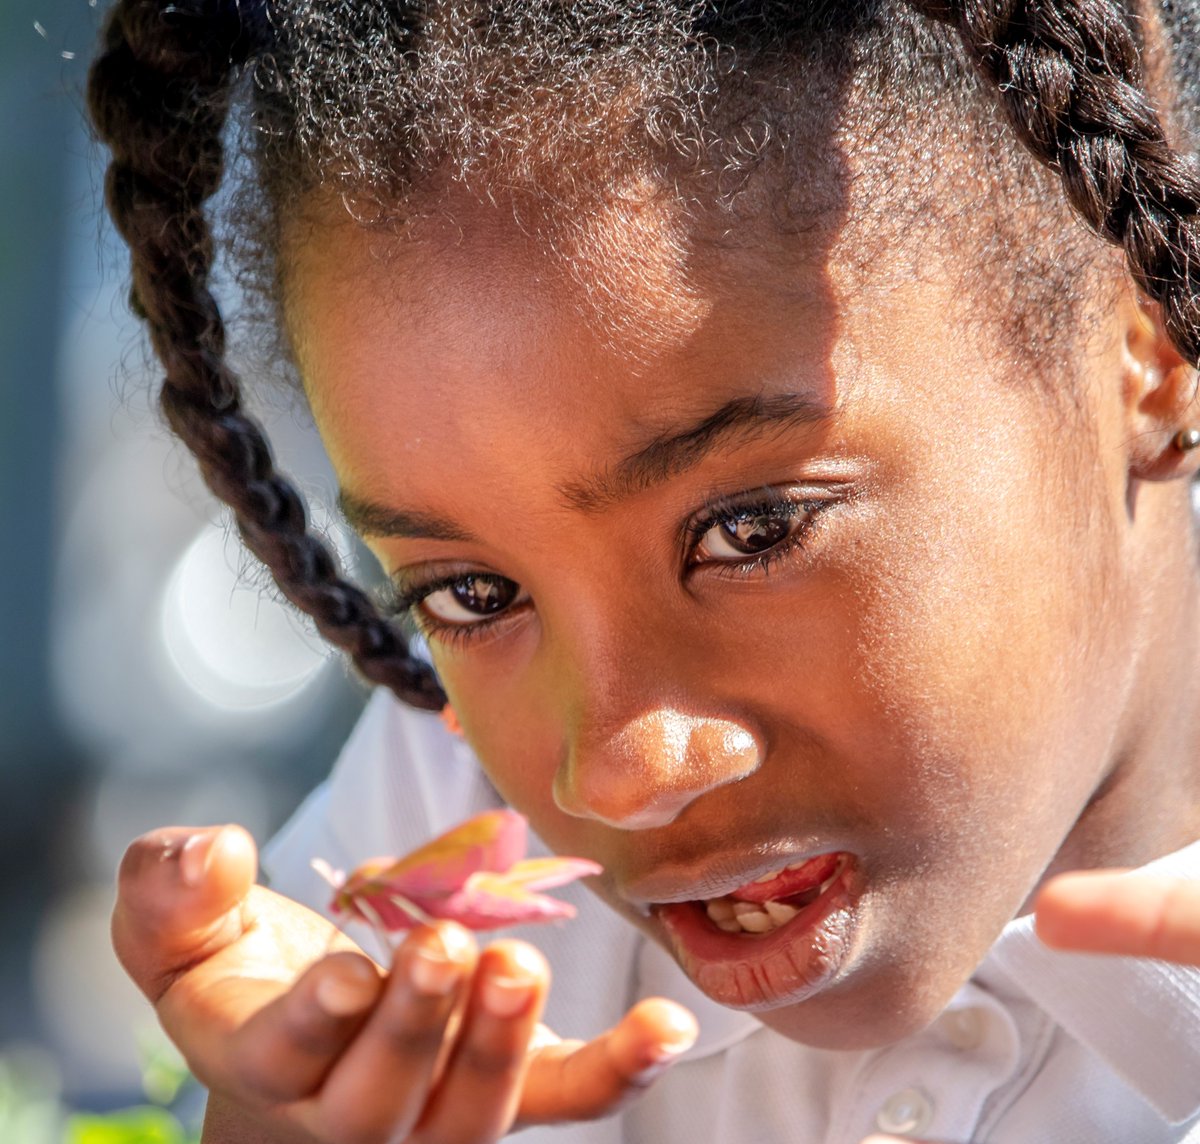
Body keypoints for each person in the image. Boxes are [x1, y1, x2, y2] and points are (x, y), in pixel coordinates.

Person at [88, 0, 1200, 1141]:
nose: (618, 774)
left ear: (1148, 346)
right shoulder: (440, 841)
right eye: (474, 594)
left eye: (752, 529)